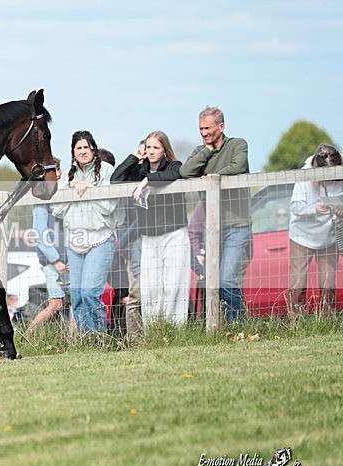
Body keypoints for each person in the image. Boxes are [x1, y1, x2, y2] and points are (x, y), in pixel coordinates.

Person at [112, 131, 190, 328]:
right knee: (151, 289)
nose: (152, 151)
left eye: (156, 147)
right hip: (149, 236)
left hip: (174, 234)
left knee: (173, 286)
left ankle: (175, 329)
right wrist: (133, 157)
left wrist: (147, 181)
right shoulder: (137, 170)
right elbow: (116, 179)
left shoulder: (174, 165)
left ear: (165, 150)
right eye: (149, 147)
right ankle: (154, 330)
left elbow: (175, 174)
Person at [180, 106, 252, 320]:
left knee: (228, 278)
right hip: (212, 228)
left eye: (208, 128)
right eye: (200, 128)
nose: (203, 133)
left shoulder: (238, 145)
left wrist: (211, 177)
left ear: (221, 127)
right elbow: (185, 172)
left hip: (237, 225)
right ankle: (220, 325)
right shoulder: (200, 151)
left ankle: (237, 324)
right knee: (213, 281)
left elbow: (238, 166)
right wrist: (207, 150)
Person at [52, 131, 124, 335]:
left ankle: (98, 337)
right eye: (78, 148)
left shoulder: (107, 171)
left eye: (86, 147)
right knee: (78, 295)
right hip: (74, 240)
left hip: (100, 238)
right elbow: (57, 209)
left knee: (91, 292)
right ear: (73, 152)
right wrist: (71, 187)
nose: (83, 151)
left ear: (93, 148)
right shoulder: (67, 174)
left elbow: (108, 207)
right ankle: (86, 339)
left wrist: (89, 188)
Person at [287, 144, 343, 320]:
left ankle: (327, 321)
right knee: (299, 281)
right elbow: (295, 207)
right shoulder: (304, 177)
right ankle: (295, 320)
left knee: (329, 283)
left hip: (330, 235)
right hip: (302, 235)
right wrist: (315, 208)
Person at [26, 201, 68, 333]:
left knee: (73, 303)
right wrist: (55, 260)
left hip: (67, 261)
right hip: (53, 263)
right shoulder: (41, 203)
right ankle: (26, 336)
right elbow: (39, 235)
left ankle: (75, 340)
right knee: (56, 304)